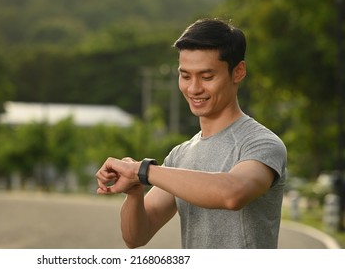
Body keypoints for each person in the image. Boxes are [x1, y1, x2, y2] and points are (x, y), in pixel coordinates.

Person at [96, 18, 287, 249]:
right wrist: (135, 191)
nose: (194, 88)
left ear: (238, 72)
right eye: (185, 76)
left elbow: (233, 193)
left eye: (207, 77)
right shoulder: (180, 155)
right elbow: (135, 237)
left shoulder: (261, 143)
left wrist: (142, 170)